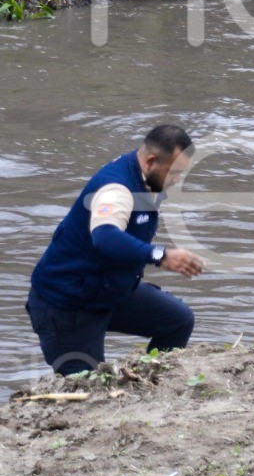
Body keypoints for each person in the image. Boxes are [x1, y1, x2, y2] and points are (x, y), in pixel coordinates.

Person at [26, 124, 207, 374]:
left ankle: (154, 381)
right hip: (68, 305)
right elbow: (106, 237)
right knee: (87, 385)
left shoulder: (149, 179)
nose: (177, 180)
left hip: (110, 290)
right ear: (151, 161)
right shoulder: (116, 189)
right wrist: (160, 255)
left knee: (178, 321)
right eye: (174, 172)